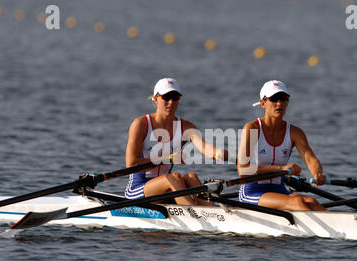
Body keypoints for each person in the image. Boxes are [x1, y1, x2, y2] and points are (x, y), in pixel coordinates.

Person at [125, 78, 227, 206]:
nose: (171, 102)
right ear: (155, 99)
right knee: (174, 177)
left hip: (167, 189)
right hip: (138, 190)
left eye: (175, 97)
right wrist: (167, 158)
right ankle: (194, 215)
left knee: (191, 177)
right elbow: (131, 164)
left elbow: (204, 147)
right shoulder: (140, 124)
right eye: (166, 97)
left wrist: (219, 153)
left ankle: (213, 215)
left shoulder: (185, 127)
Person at [237, 80, 327, 211]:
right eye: (274, 99)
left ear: (287, 102)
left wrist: (317, 174)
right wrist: (281, 168)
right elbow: (243, 170)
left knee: (311, 202)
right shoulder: (252, 128)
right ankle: (321, 230)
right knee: (296, 203)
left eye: (283, 98)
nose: (279, 103)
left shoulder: (295, 132)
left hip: (278, 189)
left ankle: (344, 229)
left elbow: (310, 159)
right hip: (252, 191)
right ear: (263, 103)